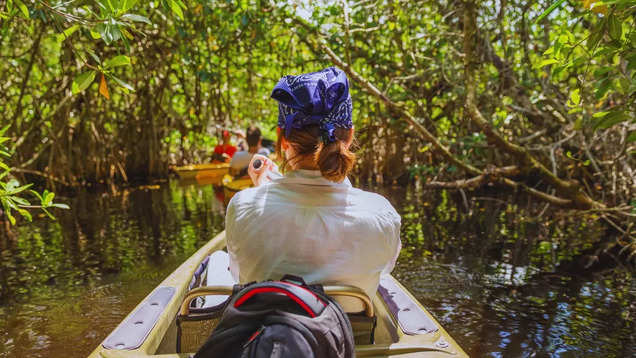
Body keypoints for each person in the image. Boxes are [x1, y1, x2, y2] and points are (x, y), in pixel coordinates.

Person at [225, 67, 401, 299]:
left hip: (266, 332)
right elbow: (383, 269)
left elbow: (240, 275)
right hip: (349, 335)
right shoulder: (381, 214)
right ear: (349, 135)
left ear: (282, 138)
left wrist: (262, 193)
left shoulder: (243, 206)